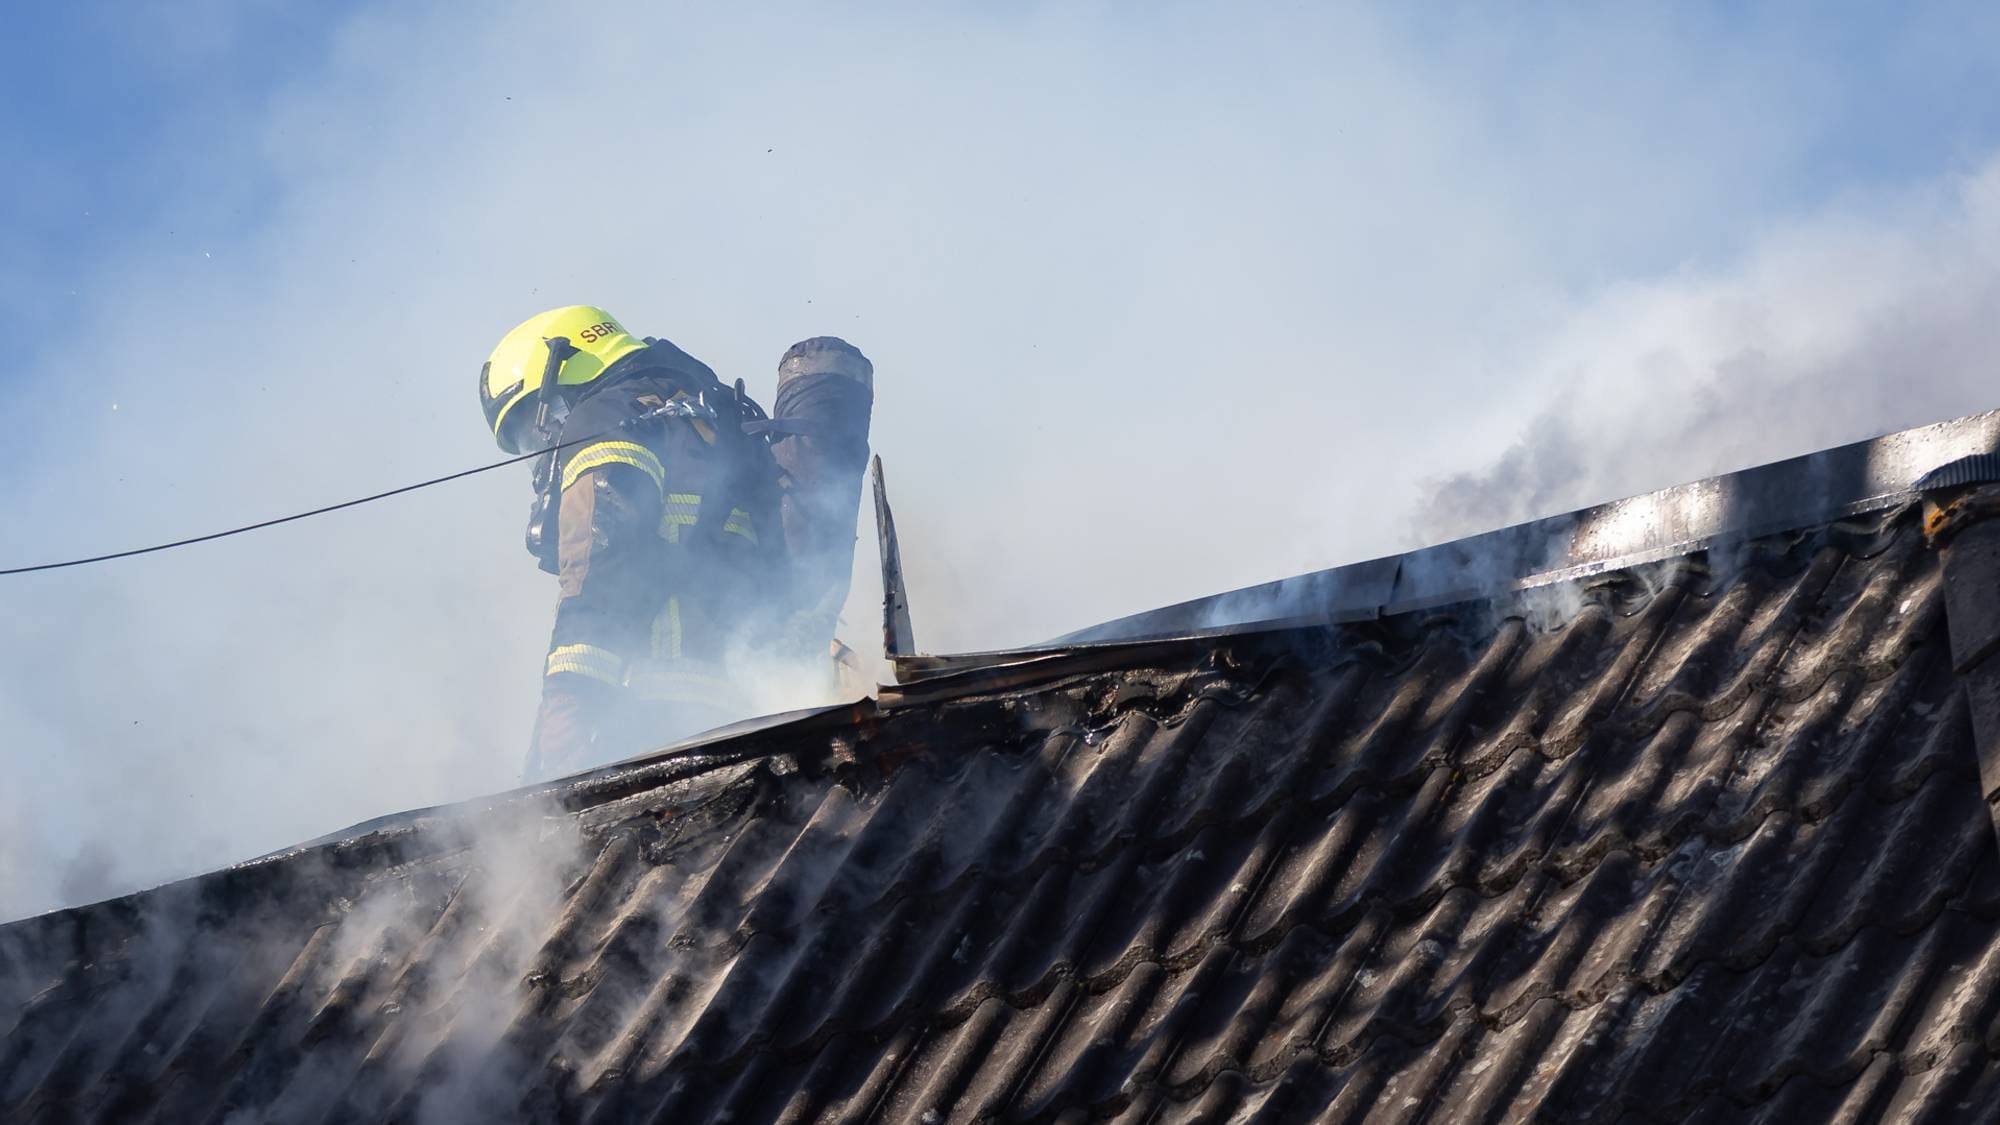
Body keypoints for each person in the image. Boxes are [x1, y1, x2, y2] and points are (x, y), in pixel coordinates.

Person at [479, 306, 784, 780]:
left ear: (556, 389)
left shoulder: (602, 417)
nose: (537, 456)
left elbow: (602, 574)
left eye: (527, 432)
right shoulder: (715, 419)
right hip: (748, 711)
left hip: (648, 715)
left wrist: (563, 725)